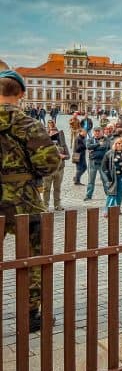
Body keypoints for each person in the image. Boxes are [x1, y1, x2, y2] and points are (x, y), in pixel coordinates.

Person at [0, 70, 61, 332]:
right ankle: (30, 315)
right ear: (21, 94)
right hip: (23, 200)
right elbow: (50, 163)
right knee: (32, 258)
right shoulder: (28, 125)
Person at [43, 119, 69, 211]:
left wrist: (63, 156)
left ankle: (57, 205)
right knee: (46, 188)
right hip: (48, 169)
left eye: (52, 125)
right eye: (49, 125)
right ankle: (45, 205)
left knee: (57, 188)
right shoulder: (44, 141)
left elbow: (67, 156)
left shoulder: (61, 140)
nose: (51, 127)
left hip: (59, 169)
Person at [102, 137, 122, 212]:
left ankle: (117, 208)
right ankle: (107, 210)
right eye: (118, 143)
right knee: (112, 194)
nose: (120, 145)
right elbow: (104, 166)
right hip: (113, 177)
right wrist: (108, 177)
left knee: (120, 194)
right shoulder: (109, 153)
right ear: (115, 144)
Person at [84, 127, 110, 201]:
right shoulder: (90, 139)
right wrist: (98, 144)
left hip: (103, 162)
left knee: (105, 180)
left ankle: (108, 194)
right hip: (93, 162)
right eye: (96, 131)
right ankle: (88, 195)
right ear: (93, 132)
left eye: (99, 131)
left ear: (102, 132)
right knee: (91, 180)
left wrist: (94, 148)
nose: (97, 133)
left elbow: (105, 147)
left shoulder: (106, 139)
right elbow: (88, 146)